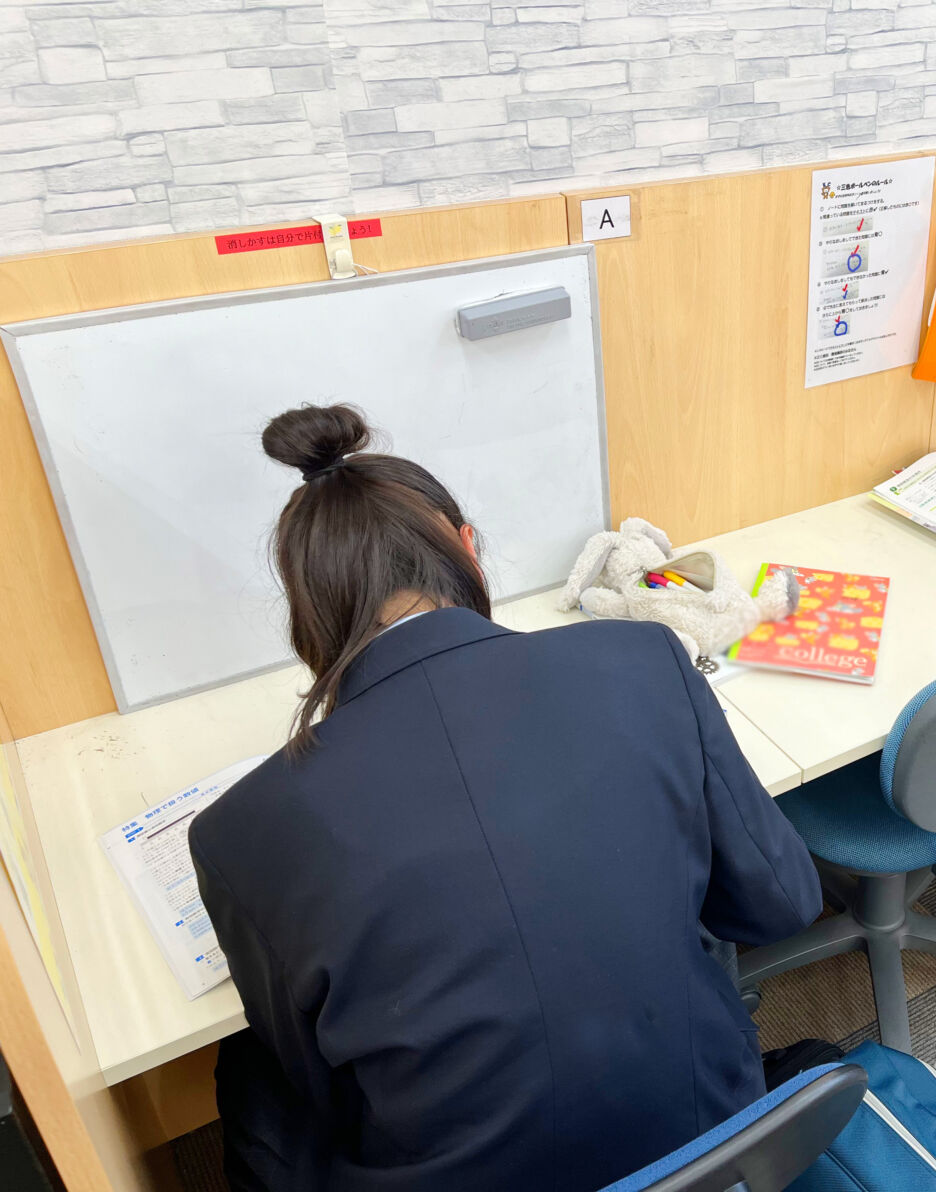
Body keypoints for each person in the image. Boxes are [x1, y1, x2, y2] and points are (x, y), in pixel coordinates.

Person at [190, 405, 822, 1191]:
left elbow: (317, 1081)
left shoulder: (240, 829)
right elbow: (781, 904)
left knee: (248, 1076)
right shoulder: (643, 659)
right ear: (467, 548)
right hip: (707, 1143)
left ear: (306, 614)